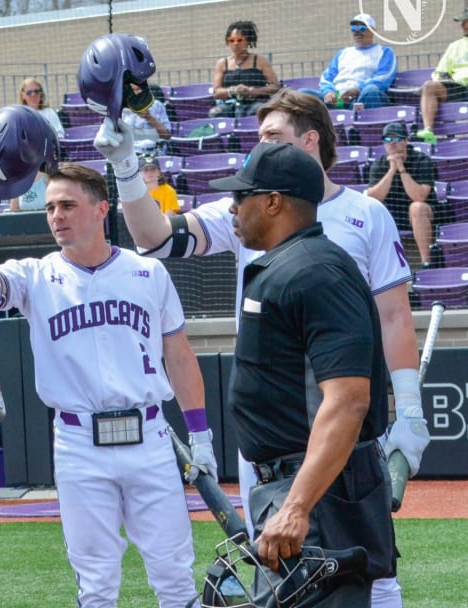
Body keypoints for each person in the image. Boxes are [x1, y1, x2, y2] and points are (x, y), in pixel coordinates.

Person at [101, 88, 425, 607]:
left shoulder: (354, 225)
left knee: (356, 576)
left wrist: (408, 406)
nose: (257, 150)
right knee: (285, 582)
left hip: (325, 439)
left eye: (272, 138)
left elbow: (392, 318)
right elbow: (154, 238)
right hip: (273, 450)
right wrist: (124, 166)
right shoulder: (250, 217)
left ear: (309, 142)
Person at [0, 162, 215, 606]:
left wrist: (201, 434)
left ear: (101, 209)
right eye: (51, 207)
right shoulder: (33, 275)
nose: (56, 215)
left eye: (68, 205)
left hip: (148, 437)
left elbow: (181, 358)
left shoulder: (147, 272)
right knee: (95, 583)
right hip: (78, 442)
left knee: (174, 575)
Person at [209, 142, 396, 604]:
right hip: (298, 486)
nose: (232, 207)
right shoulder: (293, 264)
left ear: (274, 202)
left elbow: (349, 399)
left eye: (242, 196)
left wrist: (296, 506)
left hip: (317, 495)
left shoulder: (316, 271)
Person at [366, 122, 445, 269]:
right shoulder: (379, 164)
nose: (392, 144)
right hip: (394, 215)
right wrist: (391, 171)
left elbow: (419, 197)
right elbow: (372, 198)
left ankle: (426, 263)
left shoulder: (422, 160)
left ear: (406, 140)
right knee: (370, 210)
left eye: (396, 139)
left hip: (425, 213)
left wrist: (401, 169)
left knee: (417, 207)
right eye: (387, 140)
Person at [301, 13, 397, 109]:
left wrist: (358, 90)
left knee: (371, 90)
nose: (357, 32)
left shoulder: (384, 52)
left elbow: (383, 77)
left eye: (362, 28)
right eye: (354, 29)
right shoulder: (342, 53)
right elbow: (326, 77)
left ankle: (368, 123)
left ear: (373, 31)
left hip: (361, 98)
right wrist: (328, 91)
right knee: (302, 94)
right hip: (338, 99)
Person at [414, 9, 468, 144]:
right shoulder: (455, 46)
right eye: (463, 22)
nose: (463, 25)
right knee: (429, 86)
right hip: (458, 88)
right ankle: (428, 132)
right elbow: (439, 73)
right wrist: (443, 77)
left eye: (466, 21)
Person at [209, 20, 281, 118]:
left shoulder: (260, 61)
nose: (235, 44)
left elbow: (275, 86)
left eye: (239, 40)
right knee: (215, 113)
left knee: (257, 111)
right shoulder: (222, 63)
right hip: (230, 104)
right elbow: (216, 92)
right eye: (232, 40)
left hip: (255, 103)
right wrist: (233, 90)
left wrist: (254, 91)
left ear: (248, 40)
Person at [119, 83, 171, 155]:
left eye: (138, 90)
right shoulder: (122, 108)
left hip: (150, 153)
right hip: (127, 153)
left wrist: (149, 117)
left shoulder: (156, 105)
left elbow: (166, 135)